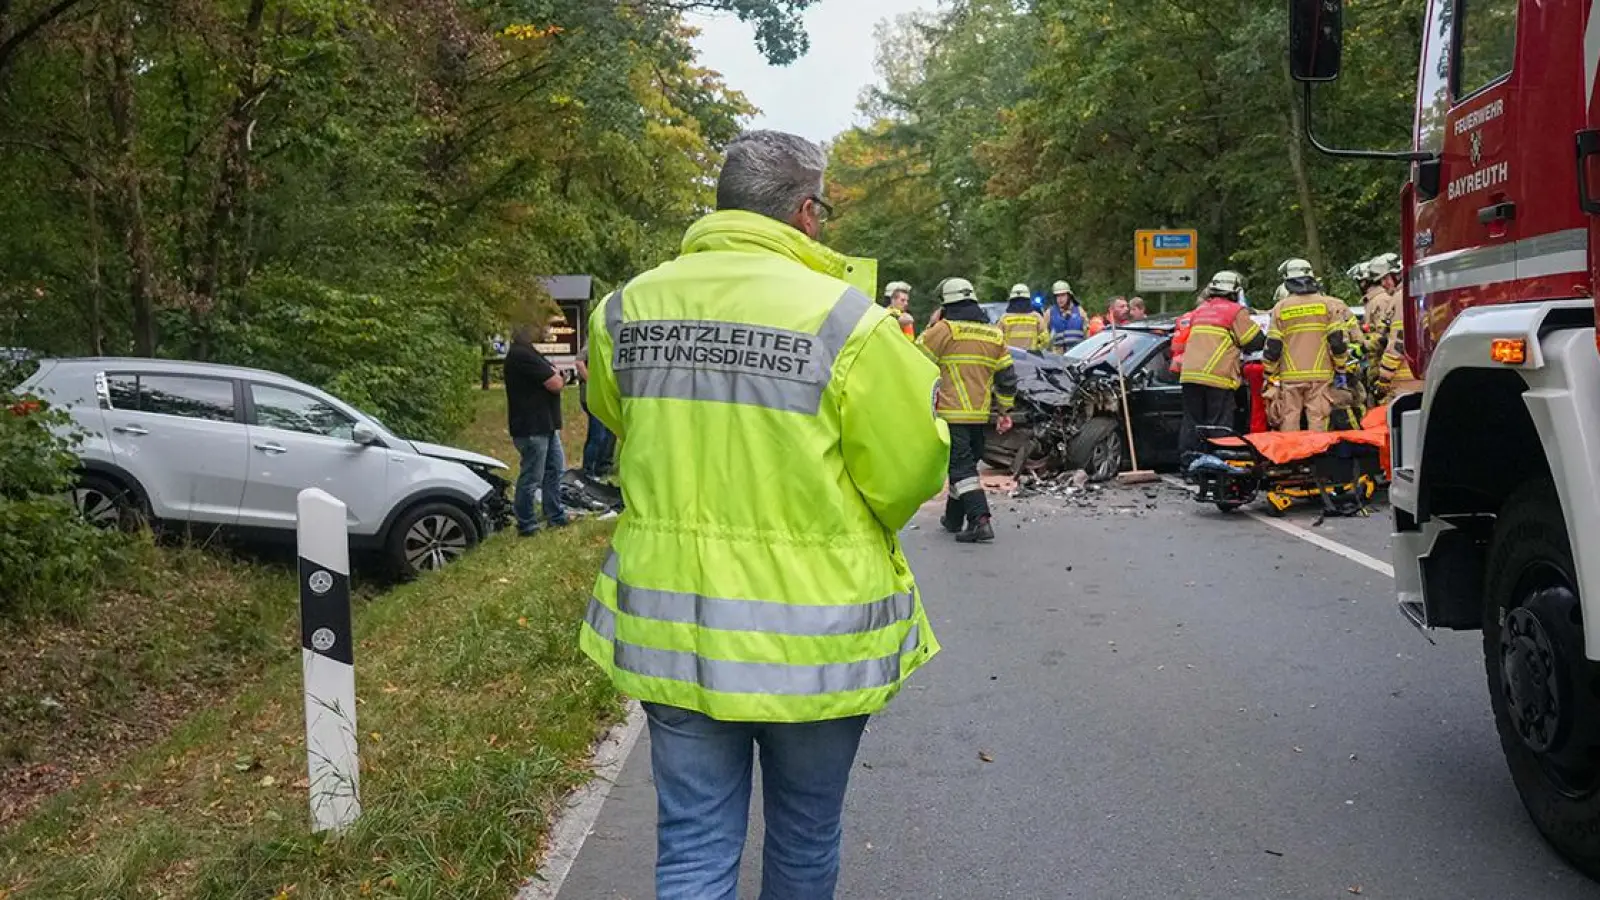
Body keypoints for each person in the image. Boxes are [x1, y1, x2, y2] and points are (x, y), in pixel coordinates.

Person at [577, 130, 950, 900]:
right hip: (816, 639)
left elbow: (613, 413)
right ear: (807, 212)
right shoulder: (851, 321)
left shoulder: (626, 308)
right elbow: (906, 472)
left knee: (691, 843)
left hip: (673, 629)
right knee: (806, 835)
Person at [919, 276, 1017, 544]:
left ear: (947, 304)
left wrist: (931, 325)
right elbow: (1007, 378)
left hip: (951, 413)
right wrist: (1004, 412)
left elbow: (915, 360)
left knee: (961, 468)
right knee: (966, 466)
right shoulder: (994, 334)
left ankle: (980, 520)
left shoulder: (945, 330)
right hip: (980, 415)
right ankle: (953, 518)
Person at [1178, 272, 1264, 457]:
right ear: (1235, 291)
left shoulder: (1200, 310)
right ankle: (1218, 465)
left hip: (1189, 375)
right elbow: (1255, 341)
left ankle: (1190, 465)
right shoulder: (1235, 311)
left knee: (1192, 423)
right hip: (1217, 377)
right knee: (1219, 424)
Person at [1265, 259, 1348, 432]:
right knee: (1318, 417)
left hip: (1290, 375)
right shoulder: (1328, 305)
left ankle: (1293, 457)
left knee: (1289, 418)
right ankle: (1317, 456)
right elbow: (1337, 342)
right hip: (1321, 374)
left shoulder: (1280, 307)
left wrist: (1269, 373)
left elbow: (1273, 347)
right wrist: (1340, 368)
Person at [505, 319, 571, 535]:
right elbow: (555, 383)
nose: (546, 330)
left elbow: (553, 376)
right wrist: (559, 376)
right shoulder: (521, 354)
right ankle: (526, 523)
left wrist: (557, 375)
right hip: (531, 427)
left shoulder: (532, 353)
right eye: (541, 326)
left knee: (555, 470)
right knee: (532, 476)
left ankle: (555, 514)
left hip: (547, 425)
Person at [574, 340, 616, 479]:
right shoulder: (595, 340)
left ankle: (602, 467)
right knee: (598, 434)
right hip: (593, 395)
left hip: (606, 395)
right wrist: (592, 383)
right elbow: (579, 362)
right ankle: (588, 470)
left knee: (610, 432)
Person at [1000, 283, 1047, 350]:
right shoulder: (1036, 317)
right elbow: (1046, 339)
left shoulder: (1004, 318)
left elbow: (997, 340)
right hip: (1031, 358)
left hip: (1011, 358)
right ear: (1028, 300)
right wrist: (1037, 349)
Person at [1047, 281, 1086, 351]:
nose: (1060, 299)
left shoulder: (1079, 311)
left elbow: (1087, 335)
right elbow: (1044, 337)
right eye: (1057, 296)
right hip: (1057, 358)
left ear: (1069, 295)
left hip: (1076, 355)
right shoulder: (1050, 313)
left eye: (1063, 295)